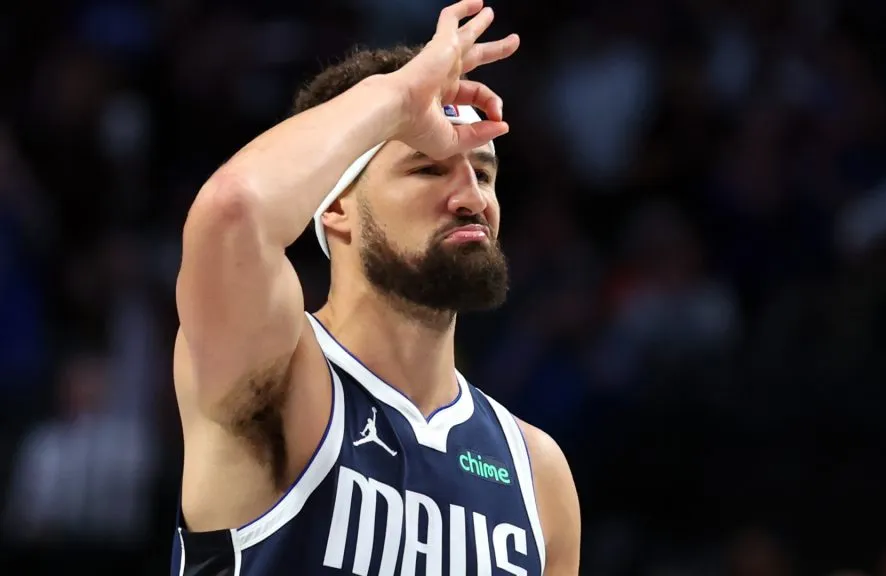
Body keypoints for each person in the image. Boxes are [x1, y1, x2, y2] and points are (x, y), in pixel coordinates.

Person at [170, 1, 581, 574]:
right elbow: (234, 211)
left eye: (483, 173)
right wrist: (398, 99)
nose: (471, 199)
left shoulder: (537, 473)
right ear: (335, 206)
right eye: (429, 168)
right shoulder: (279, 369)